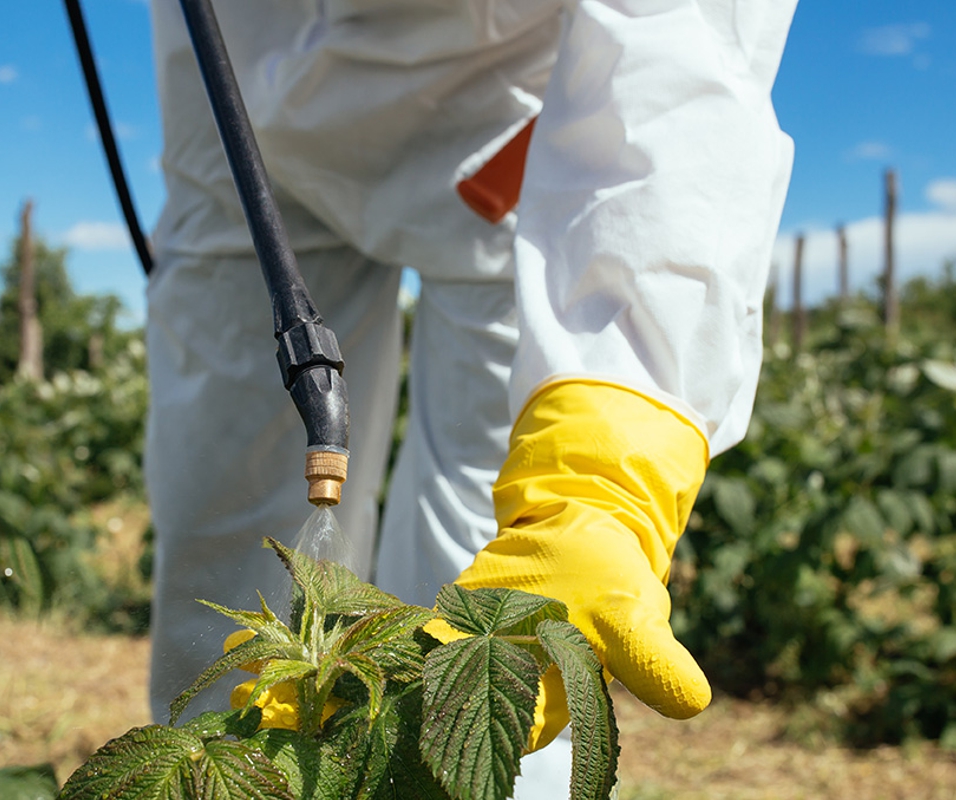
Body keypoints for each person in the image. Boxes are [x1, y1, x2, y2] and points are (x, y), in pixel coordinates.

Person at [143, 1, 798, 795]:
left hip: (502, 120)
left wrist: (600, 476)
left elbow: (685, 54)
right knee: (224, 558)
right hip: (233, 87)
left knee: (483, 584)